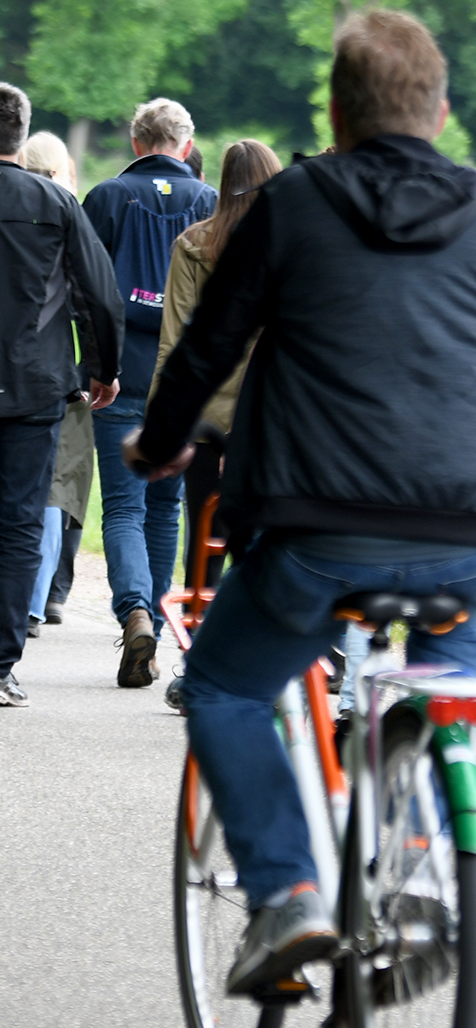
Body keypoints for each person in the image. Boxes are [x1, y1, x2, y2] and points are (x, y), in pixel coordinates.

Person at [134, 10, 476, 996]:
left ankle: (288, 891)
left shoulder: (292, 202)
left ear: (334, 112)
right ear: (443, 109)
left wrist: (158, 445)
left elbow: (210, 346)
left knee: (221, 684)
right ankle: (416, 860)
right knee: (442, 669)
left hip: (318, 523)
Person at [83, 97, 217, 688]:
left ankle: (134, 611)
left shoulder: (107, 198)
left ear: (137, 143)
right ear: (186, 147)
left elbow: (85, 288)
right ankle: (156, 634)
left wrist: (94, 365)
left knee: (123, 507)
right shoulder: (210, 203)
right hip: (189, 382)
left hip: (120, 376)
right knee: (169, 508)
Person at [147, 138, 282, 709]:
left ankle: (198, 664)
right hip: (273, 421)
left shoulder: (192, 245)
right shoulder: (288, 248)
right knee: (266, 543)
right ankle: (266, 664)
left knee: (205, 546)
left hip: (204, 423)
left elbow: (173, 344)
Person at [0, 84, 122, 709]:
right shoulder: (54, 201)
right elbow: (97, 291)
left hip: (33, 383)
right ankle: (0, 664)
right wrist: (103, 366)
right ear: (20, 136)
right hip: (34, 383)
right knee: (21, 520)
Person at [19, 131, 95, 639]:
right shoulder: (67, 209)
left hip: (20, 367)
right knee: (54, 490)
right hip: (55, 371)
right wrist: (98, 366)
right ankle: (40, 598)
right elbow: (97, 293)